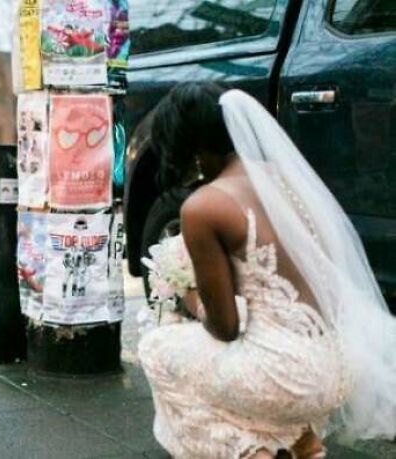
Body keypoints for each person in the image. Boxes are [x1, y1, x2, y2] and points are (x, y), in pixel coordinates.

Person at [138, 83, 396, 458]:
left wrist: (188, 298)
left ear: (189, 148)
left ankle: (252, 453)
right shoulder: (285, 178)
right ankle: (305, 444)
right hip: (339, 364)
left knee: (158, 348)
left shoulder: (203, 207)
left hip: (284, 375)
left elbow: (225, 327)